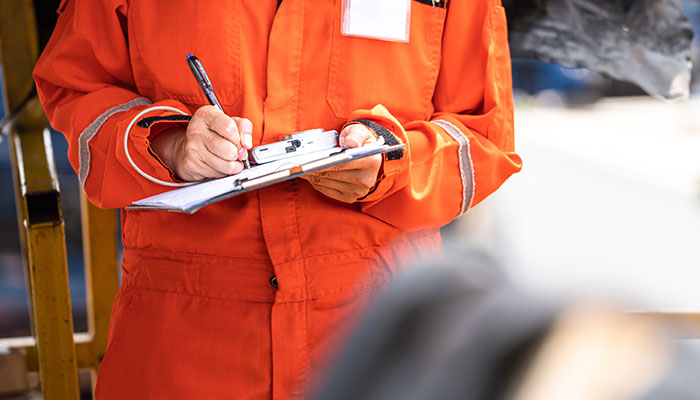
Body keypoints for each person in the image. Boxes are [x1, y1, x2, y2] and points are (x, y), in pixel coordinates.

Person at [33, 0, 521, 398]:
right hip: (183, 341)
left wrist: (394, 164)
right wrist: (169, 144)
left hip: (376, 335)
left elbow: (485, 137)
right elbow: (75, 85)